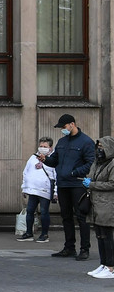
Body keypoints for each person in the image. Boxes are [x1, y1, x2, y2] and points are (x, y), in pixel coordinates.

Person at [44, 114, 96, 261]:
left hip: (77, 184)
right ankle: (69, 247)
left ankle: (84, 249)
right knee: (66, 217)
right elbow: (55, 160)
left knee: (81, 217)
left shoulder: (86, 142)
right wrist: (46, 159)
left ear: (72, 124)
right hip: (63, 184)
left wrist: (75, 172)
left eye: (64, 126)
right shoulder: (61, 142)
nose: (62, 129)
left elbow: (91, 162)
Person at [84, 136, 114, 278]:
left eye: (102, 147)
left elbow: (112, 184)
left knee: (107, 236)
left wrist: (92, 184)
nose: (99, 149)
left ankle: (111, 267)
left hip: (108, 205)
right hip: (97, 204)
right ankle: (103, 263)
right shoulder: (98, 162)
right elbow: (91, 175)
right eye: (98, 146)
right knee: (100, 235)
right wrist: (88, 180)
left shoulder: (112, 163)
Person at [18, 137, 56, 243]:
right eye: (41, 146)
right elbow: (26, 172)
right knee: (30, 211)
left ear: (50, 147)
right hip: (32, 190)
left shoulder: (53, 159)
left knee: (44, 212)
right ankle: (29, 233)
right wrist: (24, 187)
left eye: (45, 147)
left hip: (45, 190)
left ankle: (44, 234)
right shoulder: (33, 157)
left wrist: (56, 192)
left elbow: (56, 175)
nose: (42, 148)